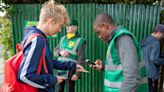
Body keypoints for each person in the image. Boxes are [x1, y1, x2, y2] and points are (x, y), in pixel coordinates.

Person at [17, 1, 84, 92]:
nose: (60, 30)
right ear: (51, 21)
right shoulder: (37, 40)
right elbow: (24, 75)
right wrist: (53, 80)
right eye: (60, 26)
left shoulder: (41, 38)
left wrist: (72, 65)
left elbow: (49, 62)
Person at [91, 13, 148, 92]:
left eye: (98, 32)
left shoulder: (123, 39)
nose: (99, 37)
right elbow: (120, 67)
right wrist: (103, 66)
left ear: (105, 26)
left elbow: (132, 78)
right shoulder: (115, 40)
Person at [54, 19, 86, 92]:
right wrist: (60, 52)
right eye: (66, 26)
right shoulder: (62, 39)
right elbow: (55, 51)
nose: (67, 28)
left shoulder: (80, 41)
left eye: (69, 26)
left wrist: (77, 74)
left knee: (70, 89)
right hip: (60, 69)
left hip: (71, 70)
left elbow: (81, 58)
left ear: (75, 27)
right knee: (59, 89)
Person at [140, 24, 164, 92]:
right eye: (163, 34)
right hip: (151, 73)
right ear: (159, 32)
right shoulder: (156, 43)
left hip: (142, 71)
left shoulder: (145, 39)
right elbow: (154, 59)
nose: (163, 36)